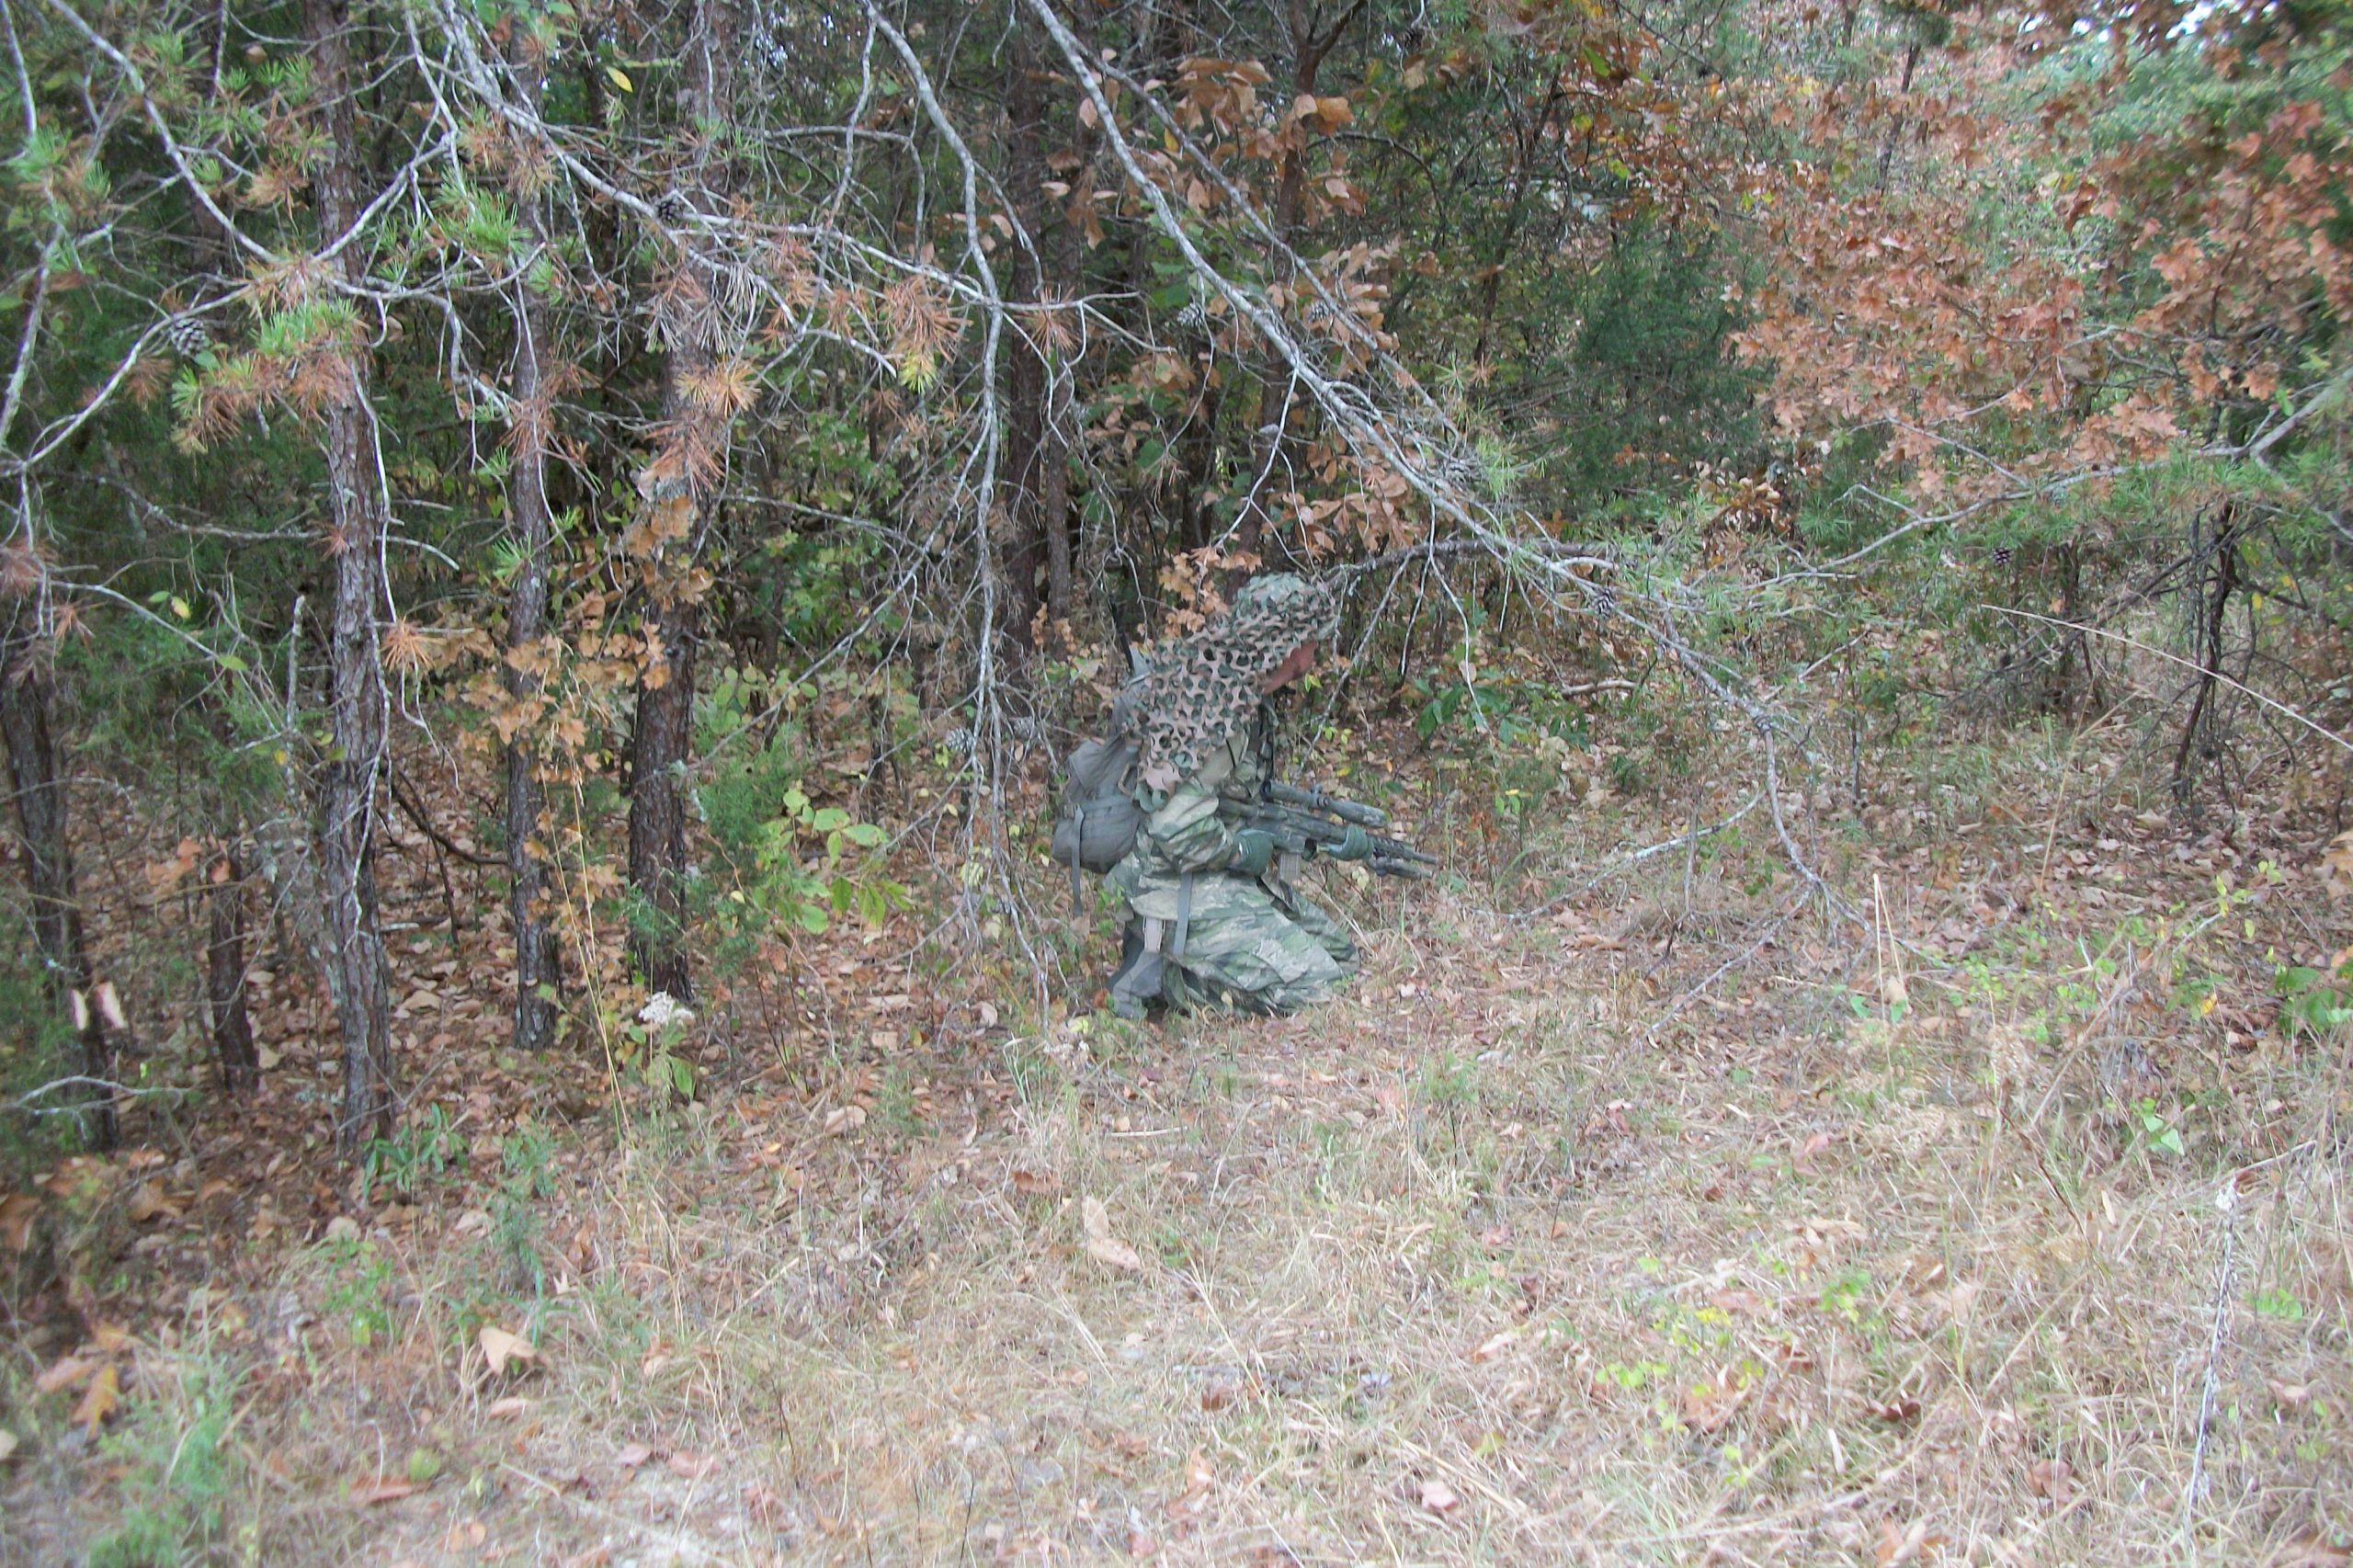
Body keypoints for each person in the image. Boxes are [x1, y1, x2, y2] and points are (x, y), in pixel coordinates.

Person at [1100, 574, 1365, 1017]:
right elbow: (1176, 829)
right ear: (1290, 644)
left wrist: (1317, 841)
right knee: (1319, 986)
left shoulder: (1244, 690)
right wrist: (1242, 850)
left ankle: (1177, 958)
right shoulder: (1218, 708)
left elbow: (1236, 803)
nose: (1316, 653)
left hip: (1210, 874)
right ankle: (1160, 977)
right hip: (1169, 882)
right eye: (1313, 641)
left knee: (1342, 957)